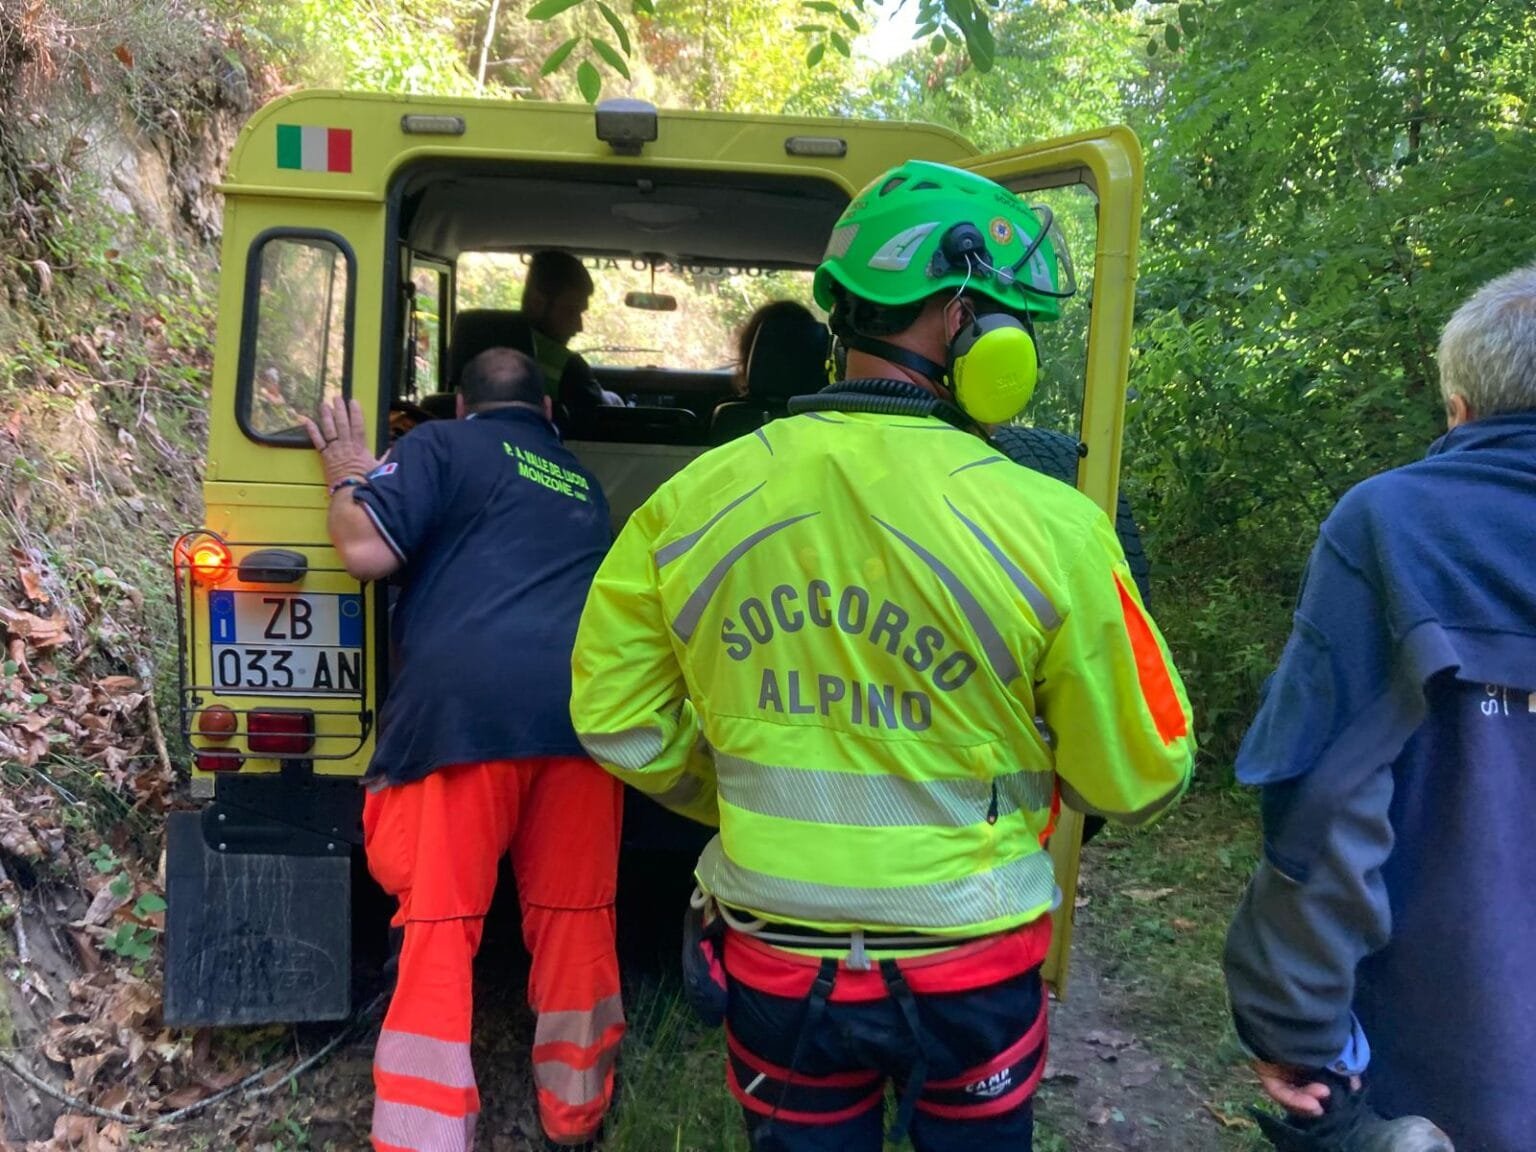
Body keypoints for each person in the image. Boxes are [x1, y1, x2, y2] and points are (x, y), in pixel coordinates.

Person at [569, 160, 1195, 1152]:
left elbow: (614, 712)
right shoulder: (1055, 526)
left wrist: (739, 792)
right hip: (972, 969)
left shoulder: (690, 505)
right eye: (1010, 316)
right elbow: (1140, 765)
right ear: (961, 318)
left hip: (778, 962)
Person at [1223, 264, 1536, 1152]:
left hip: (1441, 1074)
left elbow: (1325, 803)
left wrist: (1297, 1030)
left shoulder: (1395, 527)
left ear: (1460, 409)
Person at [301, 348, 624, 1152]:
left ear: (457, 404)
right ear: (548, 414)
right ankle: (575, 1111)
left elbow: (365, 552)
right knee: (577, 916)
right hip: (582, 719)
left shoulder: (440, 446)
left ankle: (423, 1133)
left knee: (441, 923)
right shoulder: (579, 479)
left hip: (462, 718)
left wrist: (347, 471)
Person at [519, 250, 611, 421]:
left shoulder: (473, 351)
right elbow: (603, 425)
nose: (579, 326)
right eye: (570, 312)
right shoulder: (567, 368)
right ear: (537, 303)